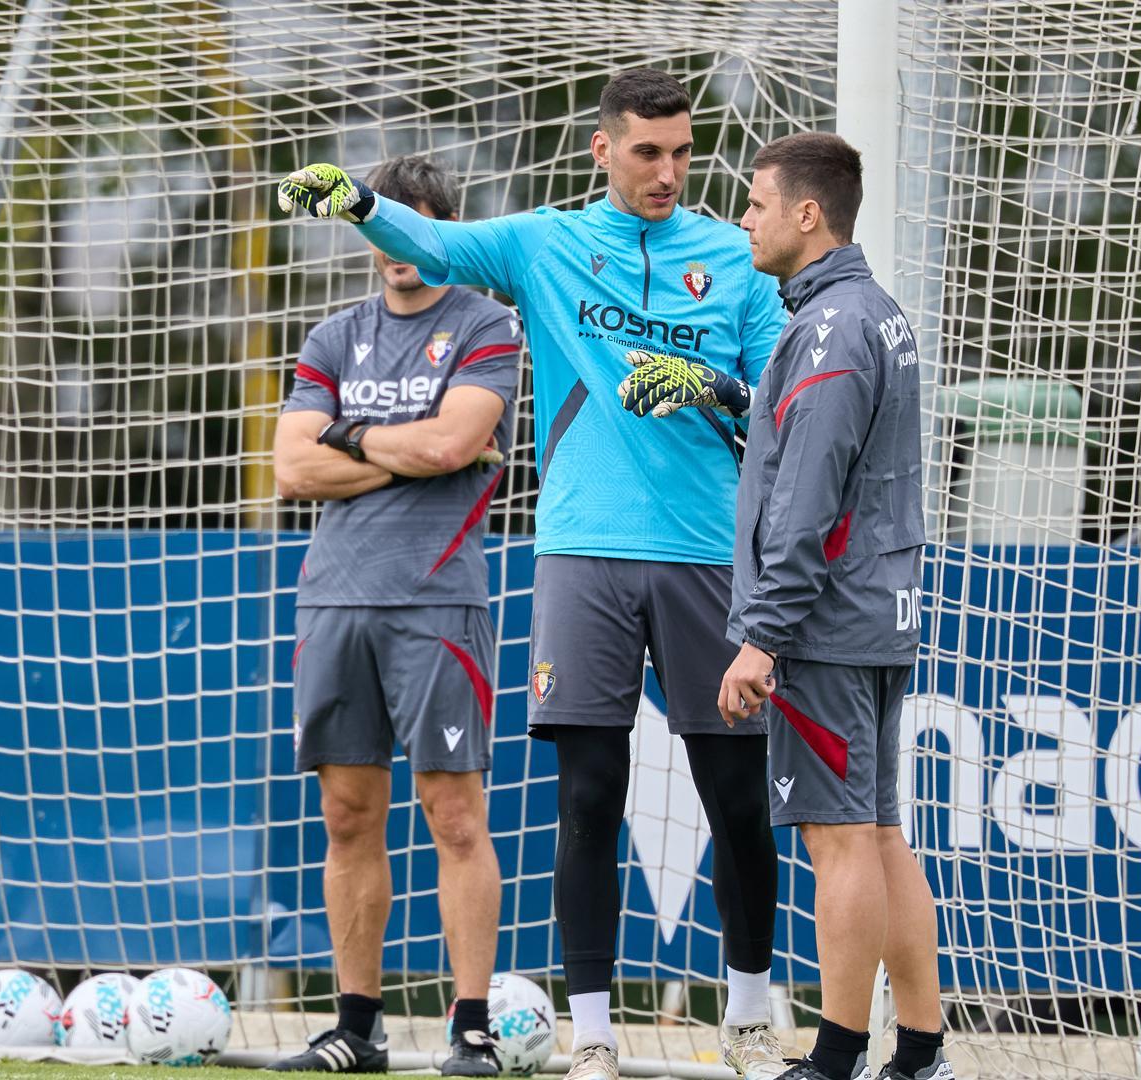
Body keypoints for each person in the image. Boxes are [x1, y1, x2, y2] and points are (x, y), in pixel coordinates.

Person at [277, 68, 791, 1080]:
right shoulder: (546, 244)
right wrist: (360, 203)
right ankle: (592, 1033)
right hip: (581, 553)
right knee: (588, 795)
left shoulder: (735, 261)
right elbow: (436, 246)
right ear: (604, 150)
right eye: (648, 152)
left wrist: (719, 385)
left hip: (702, 553)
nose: (668, 172)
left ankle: (750, 1016)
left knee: (734, 793)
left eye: (683, 153)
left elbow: (782, 402)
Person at [270, 155, 521, 1077]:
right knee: (346, 814)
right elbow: (294, 469)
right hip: (335, 594)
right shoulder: (335, 336)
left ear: (435, 232)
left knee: (454, 816)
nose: (397, 246)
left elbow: (460, 440)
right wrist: (407, 452)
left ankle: (471, 1029)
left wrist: (354, 439)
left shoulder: (485, 323)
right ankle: (356, 1027)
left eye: (414, 224)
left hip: (438, 598)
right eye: (383, 225)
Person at [719, 132, 952, 1080]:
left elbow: (808, 494)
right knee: (880, 833)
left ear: (806, 214)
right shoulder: (872, 312)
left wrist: (762, 635)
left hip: (822, 622)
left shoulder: (827, 327)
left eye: (758, 202)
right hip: (873, 614)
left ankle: (837, 1057)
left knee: (838, 837)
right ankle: (922, 1049)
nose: (745, 218)